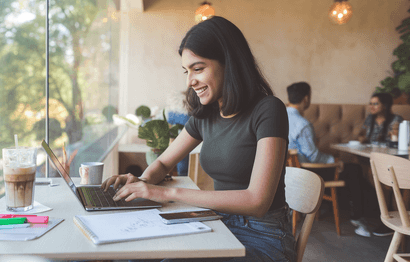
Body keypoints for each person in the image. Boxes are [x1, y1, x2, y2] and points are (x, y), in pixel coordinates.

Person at [102, 16, 295, 262]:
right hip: (217, 223)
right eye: (186, 71)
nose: (190, 81)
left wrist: (165, 193)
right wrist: (142, 181)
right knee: (135, 255)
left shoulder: (268, 110)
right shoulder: (207, 115)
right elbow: (163, 163)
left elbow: (256, 200)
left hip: (262, 236)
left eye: (198, 68)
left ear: (229, 63)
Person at [286, 82, 370, 237]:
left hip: (286, 172)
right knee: (354, 169)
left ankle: (324, 205)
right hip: (306, 174)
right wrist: (334, 161)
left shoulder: (279, 117)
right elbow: (314, 156)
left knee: (350, 170)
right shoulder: (303, 124)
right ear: (306, 99)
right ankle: (358, 218)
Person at [358, 92, 402, 237]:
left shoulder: (396, 120)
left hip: (390, 159)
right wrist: (362, 138)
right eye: (370, 103)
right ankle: (379, 212)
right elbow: (361, 135)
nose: (371, 106)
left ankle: (388, 214)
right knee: (358, 167)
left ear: (385, 105)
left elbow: (398, 142)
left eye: (375, 103)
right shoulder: (370, 119)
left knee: (374, 172)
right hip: (370, 157)